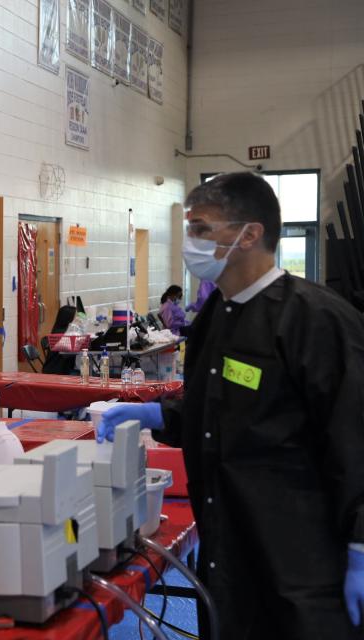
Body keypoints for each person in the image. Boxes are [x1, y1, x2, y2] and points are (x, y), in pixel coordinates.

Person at [97, 172, 364, 639]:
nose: (190, 242)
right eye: (190, 230)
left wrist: (362, 546)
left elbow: (356, 438)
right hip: (229, 553)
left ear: (250, 234)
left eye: (202, 229)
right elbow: (216, 407)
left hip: (305, 566)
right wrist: (162, 414)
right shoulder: (213, 319)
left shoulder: (316, 320)